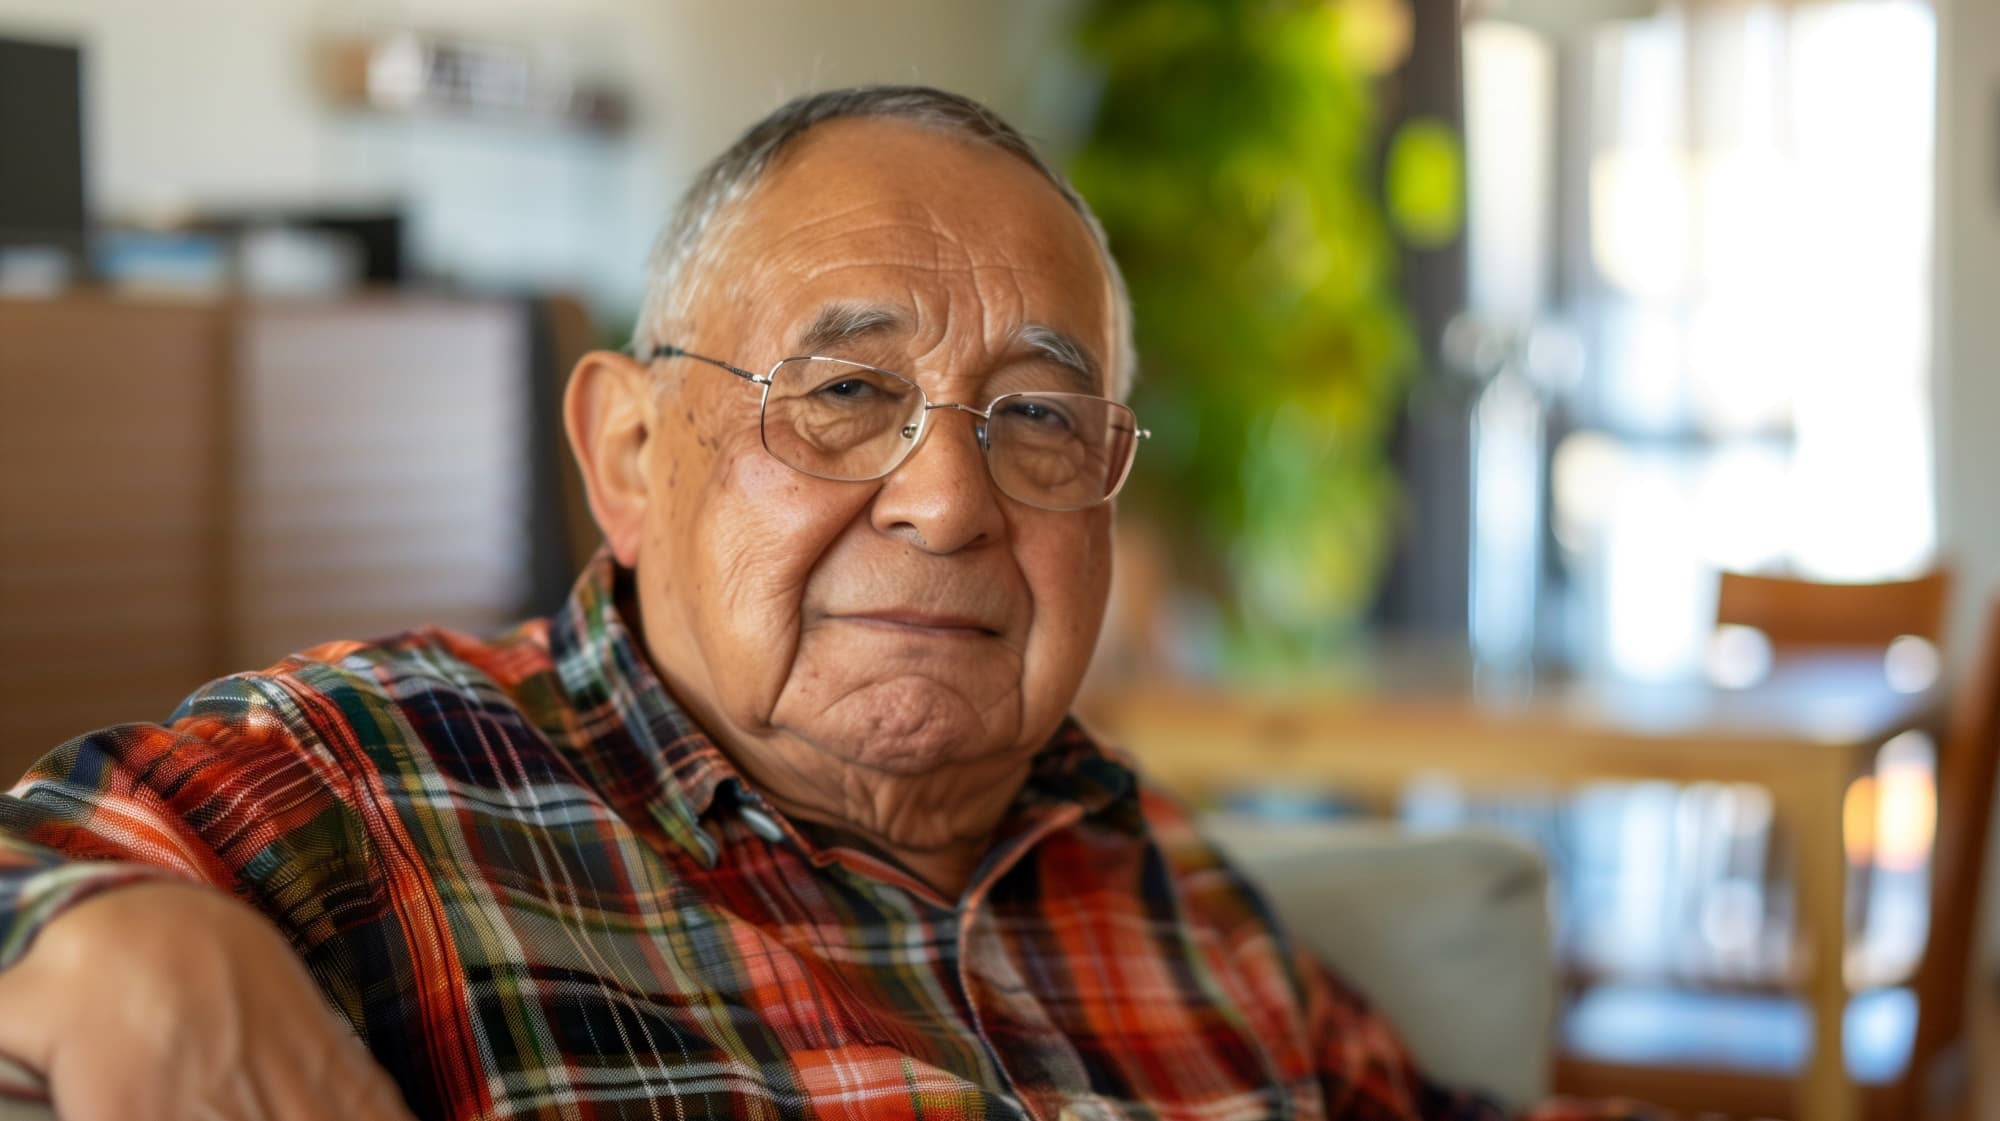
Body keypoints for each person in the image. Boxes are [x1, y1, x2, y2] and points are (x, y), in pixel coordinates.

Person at [0, 86, 1646, 1121]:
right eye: (845, 390)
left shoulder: (1149, 866)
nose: (946, 500)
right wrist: (111, 955)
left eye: (1040, 417)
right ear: (630, 452)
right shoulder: (388, 774)